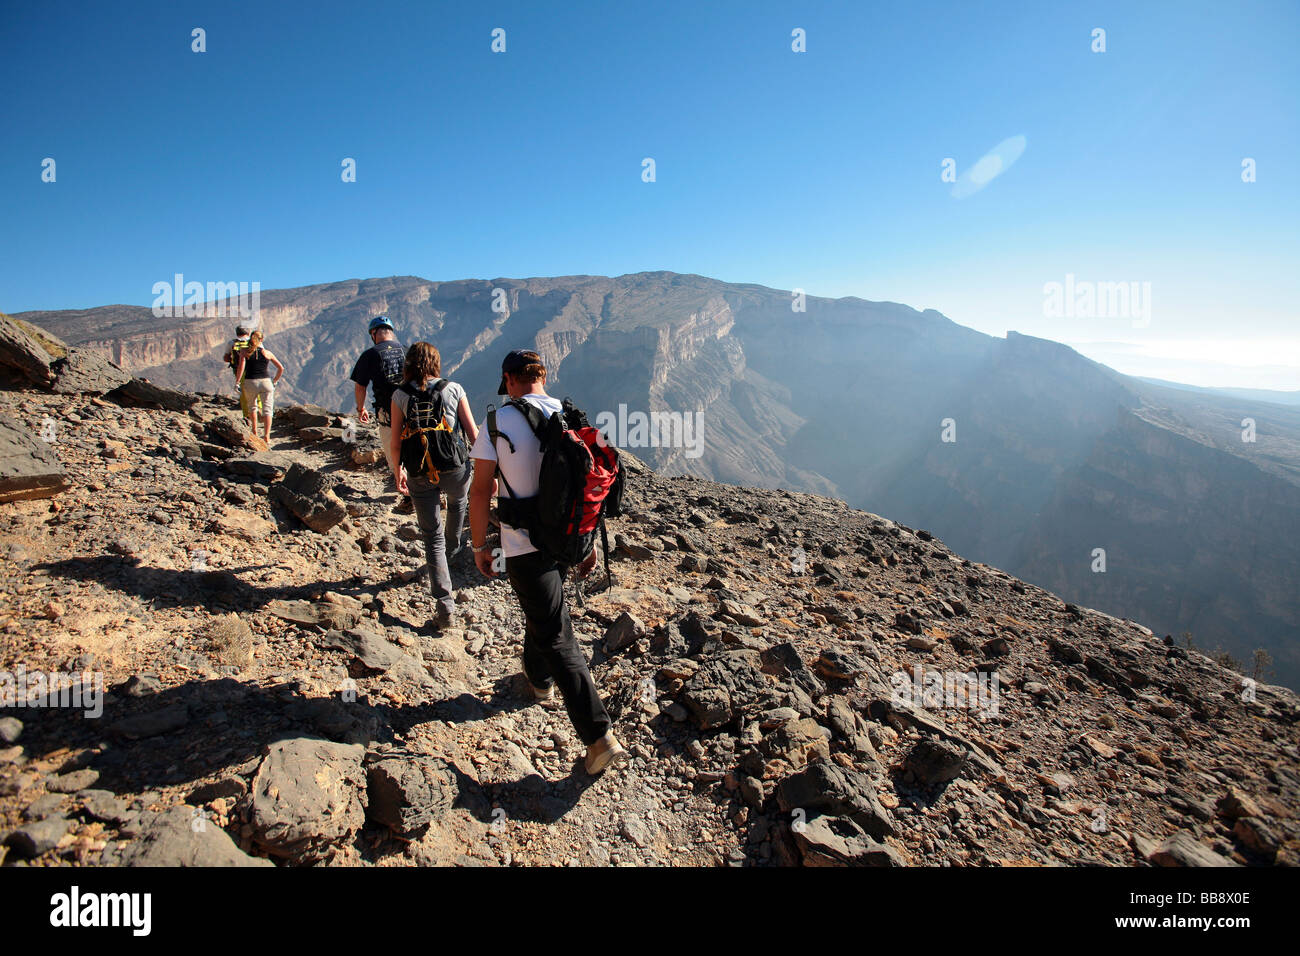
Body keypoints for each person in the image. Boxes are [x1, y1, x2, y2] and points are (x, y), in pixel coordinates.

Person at [467, 349, 626, 775]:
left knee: (557, 633)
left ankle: (598, 737)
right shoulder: (573, 415)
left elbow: (480, 490)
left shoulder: (498, 423)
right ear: (542, 375)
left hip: (522, 546)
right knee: (544, 610)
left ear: (509, 379)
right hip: (567, 539)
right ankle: (537, 682)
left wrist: (481, 544)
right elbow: (584, 488)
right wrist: (586, 544)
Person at [390, 342, 479, 627]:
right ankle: (453, 550)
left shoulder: (400, 395)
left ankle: (444, 604)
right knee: (458, 504)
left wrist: (397, 471)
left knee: (431, 536)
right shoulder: (454, 389)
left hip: (419, 471)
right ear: (435, 363)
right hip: (455, 467)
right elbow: (474, 434)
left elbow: (395, 442)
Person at [350, 316, 407, 508]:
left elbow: (361, 386)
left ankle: (406, 491)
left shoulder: (370, 355)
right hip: (412, 408)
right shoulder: (407, 350)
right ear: (391, 331)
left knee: (394, 449)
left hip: (388, 410)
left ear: (374, 334)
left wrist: (361, 408)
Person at [234, 330, 284, 444]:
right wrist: (275, 381)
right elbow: (281, 368)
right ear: (261, 340)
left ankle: (254, 431)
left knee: (252, 407)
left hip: (250, 382)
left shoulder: (244, 352)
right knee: (268, 410)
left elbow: (241, 368)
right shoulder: (267, 353)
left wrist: (237, 382)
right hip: (266, 382)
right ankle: (267, 436)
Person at [222, 326, 252, 425]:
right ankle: (259, 413)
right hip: (254, 369)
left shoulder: (231, 343)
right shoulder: (254, 342)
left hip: (238, 370)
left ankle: (247, 415)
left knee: (244, 392)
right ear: (248, 333)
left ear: (237, 333)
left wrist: (233, 359)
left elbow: (226, 358)